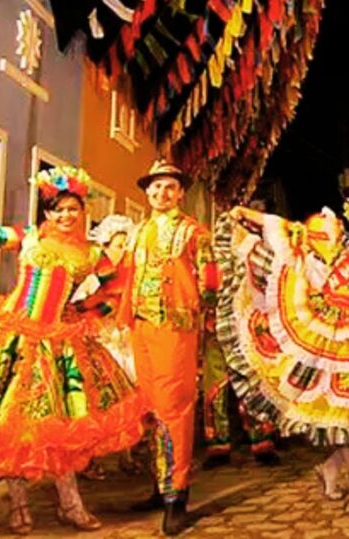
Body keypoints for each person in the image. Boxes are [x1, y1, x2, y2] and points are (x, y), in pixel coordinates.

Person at [221, 182, 349, 516]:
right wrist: (245, 214)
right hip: (331, 334)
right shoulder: (332, 242)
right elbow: (286, 229)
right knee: (345, 414)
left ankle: (330, 468)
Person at [0, 167, 147, 534]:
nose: (66, 216)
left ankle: (71, 505)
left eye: (73, 209)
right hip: (13, 342)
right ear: (46, 213)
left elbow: (118, 287)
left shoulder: (91, 253)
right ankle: (18, 507)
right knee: (11, 426)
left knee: (62, 428)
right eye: (58, 209)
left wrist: (87, 309)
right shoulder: (29, 238)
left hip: (60, 346)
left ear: (82, 212)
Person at [122, 159, 219, 536]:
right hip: (141, 326)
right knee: (148, 406)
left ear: (180, 193)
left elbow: (211, 281)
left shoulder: (194, 232)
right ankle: (158, 486)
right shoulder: (138, 231)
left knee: (174, 407)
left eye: (169, 188)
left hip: (175, 327)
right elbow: (123, 278)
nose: (162, 194)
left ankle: (177, 495)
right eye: (156, 188)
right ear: (147, 192)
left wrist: (203, 321)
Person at [202, 210, 280, 470]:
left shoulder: (259, 255)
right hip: (216, 327)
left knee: (253, 381)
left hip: (249, 327)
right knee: (216, 386)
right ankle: (218, 443)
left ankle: (262, 439)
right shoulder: (211, 256)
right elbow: (205, 286)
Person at [74, 214, 145, 480]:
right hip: (101, 341)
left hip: (125, 339)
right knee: (98, 400)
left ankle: (128, 453)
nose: (122, 251)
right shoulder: (94, 276)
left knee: (131, 397)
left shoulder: (134, 275)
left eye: (126, 246)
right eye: (117, 245)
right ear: (104, 246)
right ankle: (89, 457)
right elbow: (80, 305)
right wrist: (103, 310)